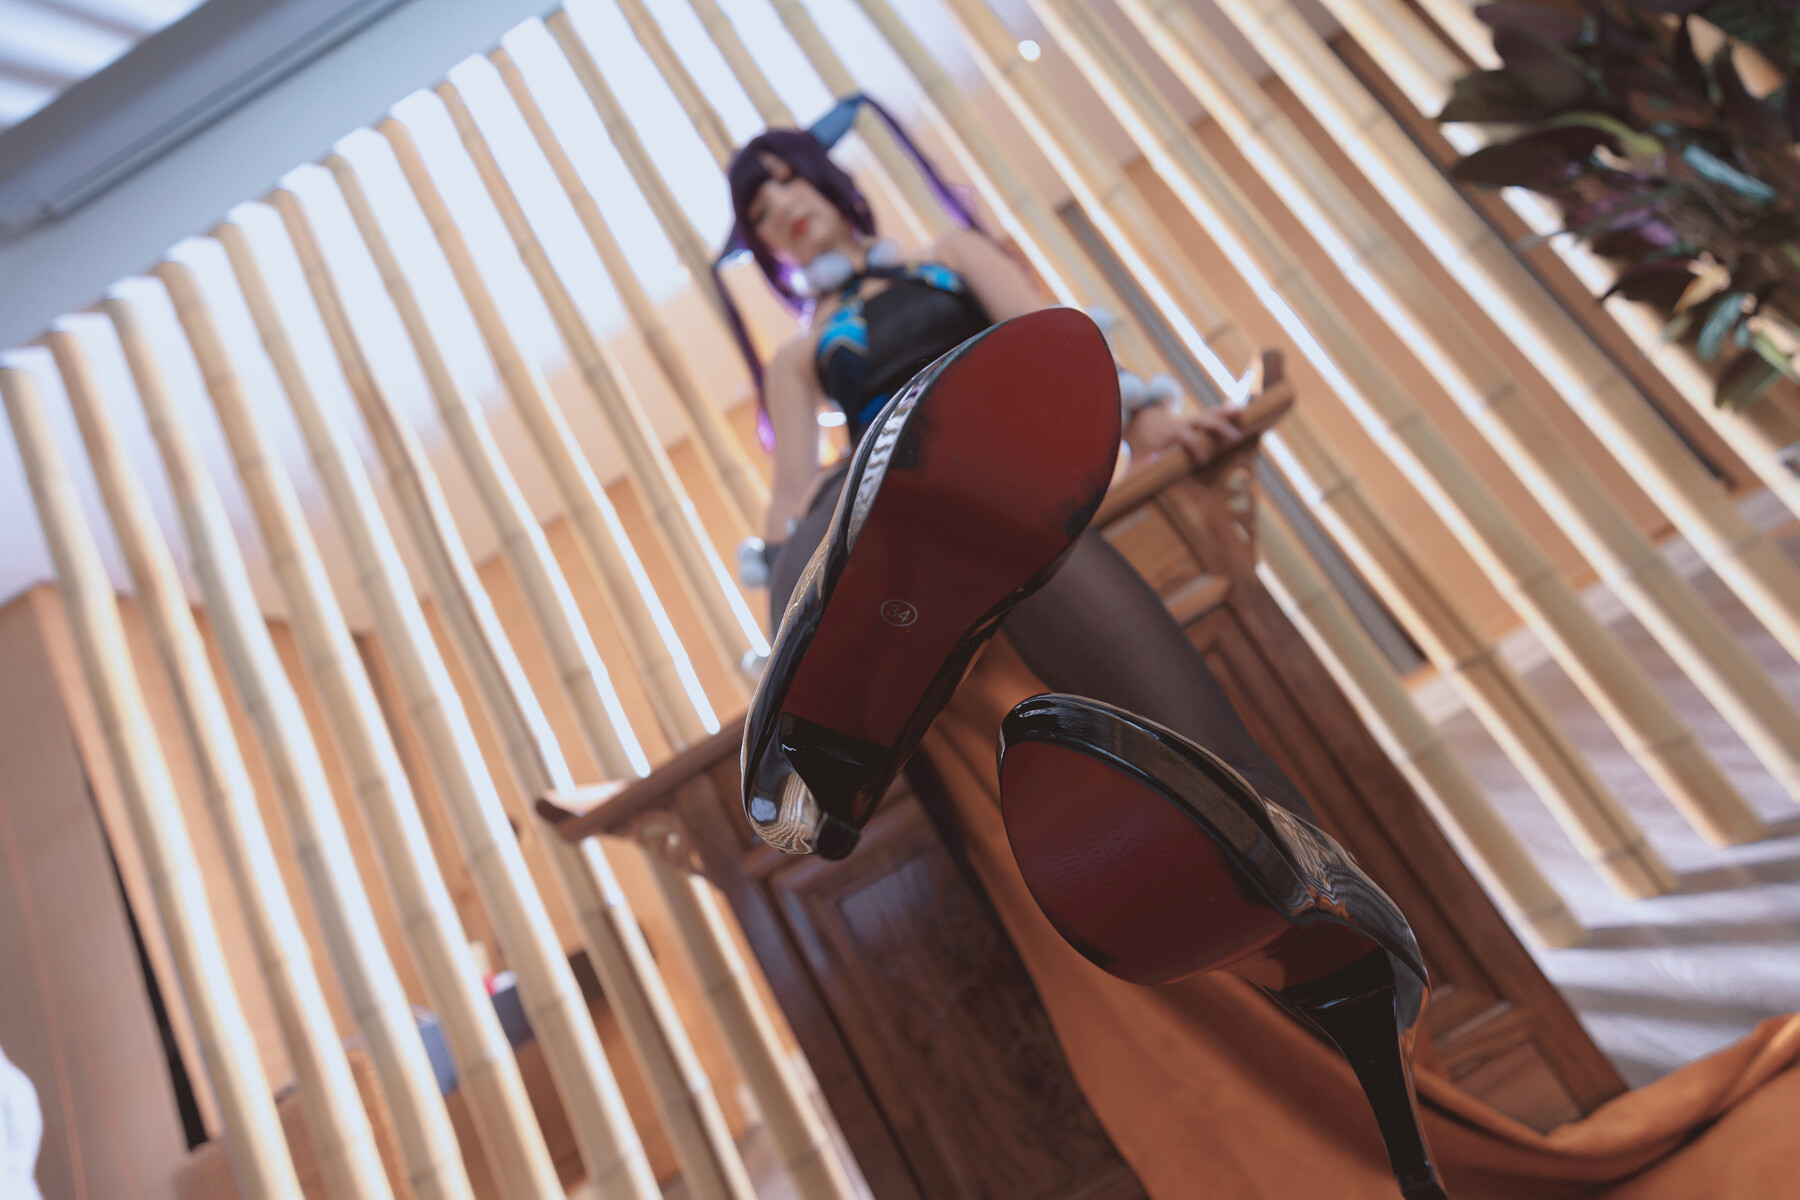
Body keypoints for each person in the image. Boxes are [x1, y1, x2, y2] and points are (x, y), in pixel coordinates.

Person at [718, 121, 1315, 826]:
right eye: (760, 213)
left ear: (825, 178)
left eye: (787, 179)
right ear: (767, 249)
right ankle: (800, 715)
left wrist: (1147, 421)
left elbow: (1056, 343)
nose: (781, 207)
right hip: (889, 518)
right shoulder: (800, 355)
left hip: (997, 493)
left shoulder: (949, 256)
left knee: (1176, 712)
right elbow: (790, 493)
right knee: (828, 502)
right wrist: (778, 617)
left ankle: (1277, 834)